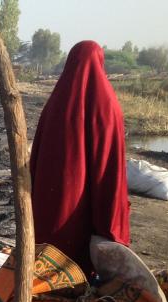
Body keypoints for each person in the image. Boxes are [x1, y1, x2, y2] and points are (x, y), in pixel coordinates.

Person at [30, 40, 130, 274]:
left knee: (50, 245)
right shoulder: (108, 105)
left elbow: (37, 156)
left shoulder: (56, 103)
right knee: (82, 254)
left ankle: (47, 277)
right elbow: (110, 165)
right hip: (84, 202)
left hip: (51, 197)